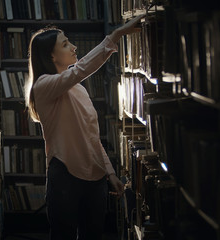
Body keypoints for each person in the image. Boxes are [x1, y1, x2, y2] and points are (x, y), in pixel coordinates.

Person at [25, 15, 144, 240]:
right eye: (65, 44)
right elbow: (79, 70)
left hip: (96, 175)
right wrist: (115, 35)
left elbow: (92, 137)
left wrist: (110, 174)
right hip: (65, 176)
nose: (73, 46)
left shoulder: (78, 88)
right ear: (51, 55)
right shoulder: (43, 85)